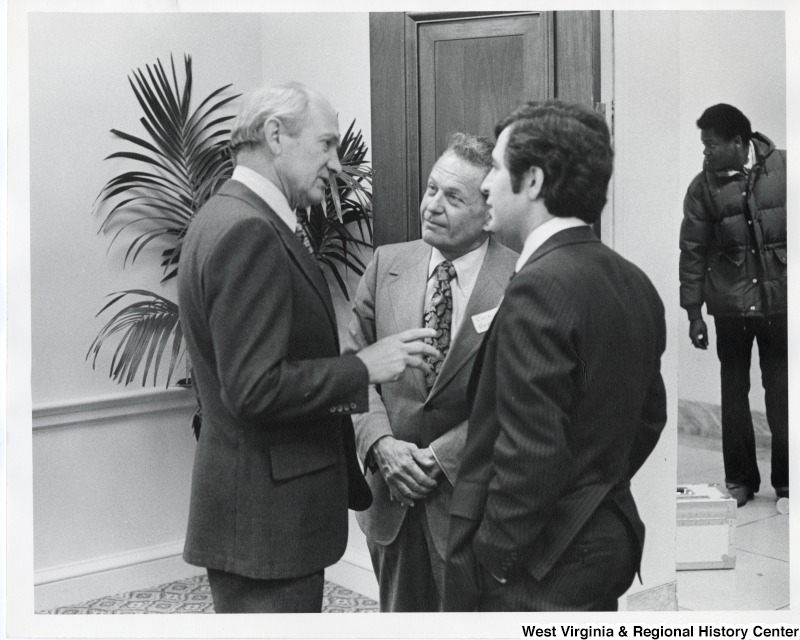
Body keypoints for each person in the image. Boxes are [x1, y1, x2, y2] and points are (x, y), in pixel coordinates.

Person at [177, 82, 438, 613]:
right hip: (267, 526)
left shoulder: (225, 216)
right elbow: (254, 389)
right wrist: (362, 367)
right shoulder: (248, 230)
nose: (339, 164)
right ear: (275, 135)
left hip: (257, 518)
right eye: (326, 145)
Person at [443, 100, 667, 612]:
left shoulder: (539, 287)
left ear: (535, 182)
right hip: (604, 540)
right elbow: (649, 418)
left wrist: (494, 558)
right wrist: (591, 490)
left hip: (540, 564)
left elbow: (532, 454)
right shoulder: (633, 281)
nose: (484, 185)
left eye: (496, 168)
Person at [342, 133, 518, 611]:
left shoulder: (521, 281)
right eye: (431, 189)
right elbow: (354, 371)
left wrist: (439, 459)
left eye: (453, 197)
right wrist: (381, 445)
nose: (431, 205)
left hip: (472, 507)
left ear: (488, 214)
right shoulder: (386, 265)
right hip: (391, 502)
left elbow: (517, 398)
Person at [679, 104, 787, 508]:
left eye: (712, 144)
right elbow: (691, 252)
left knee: (782, 393)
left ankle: (789, 482)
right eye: (704, 145)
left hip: (779, 304)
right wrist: (693, 313)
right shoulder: (701, 188)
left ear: (739, 143)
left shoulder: (785, 170)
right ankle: (740, 480)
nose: (705, 152)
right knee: (734, 393)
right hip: (729, 308)